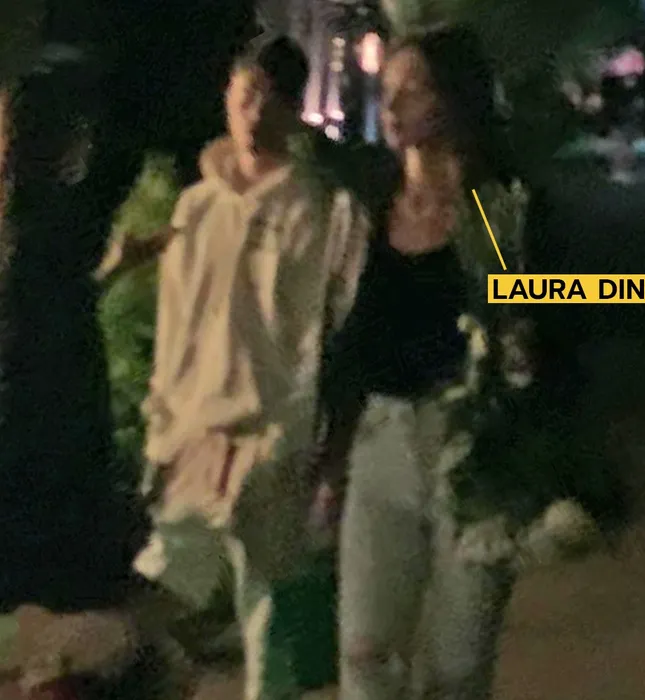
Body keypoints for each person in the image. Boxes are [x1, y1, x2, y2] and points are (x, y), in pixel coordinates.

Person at [116, 36, 369, 700]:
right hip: (195, 434)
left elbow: (326, 328)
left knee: (270, 615)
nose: (254, 113)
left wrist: (314, 443)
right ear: (227, 97)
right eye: (245, 95)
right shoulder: (196, 207)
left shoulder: (318, 209)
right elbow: (176, 328)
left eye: (270, 99)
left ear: (292, 110)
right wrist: (162, 421)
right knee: (163, 592)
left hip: (273, 435)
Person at [315, 25, 522, 700]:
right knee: (365, 652)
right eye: (388, 89)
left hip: (472, 446)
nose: (395, 105)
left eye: (416, 89)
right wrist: (329, 459)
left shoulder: (493, 209)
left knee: (457, 668)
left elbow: (546, 302)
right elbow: (344, 341)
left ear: (456, 99)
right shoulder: (368, 209)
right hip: (381, 442)